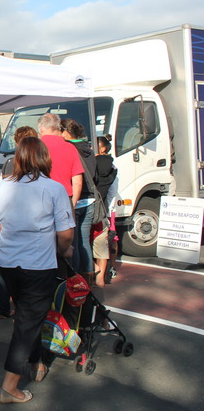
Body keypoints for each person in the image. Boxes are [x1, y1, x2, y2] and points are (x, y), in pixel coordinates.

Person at [0, 137, 75, 404]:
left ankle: (37, 363)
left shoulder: (4, 186)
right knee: (28, 322)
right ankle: (9, 387)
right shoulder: (53, 188)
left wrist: (16, 235)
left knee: (28, 316)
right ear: (44, 158)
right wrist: (62, 250)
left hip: (9, 261)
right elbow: (66, 234)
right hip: (38, 264)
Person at [0, 125, 37, 321]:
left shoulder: (9, 163)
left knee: (8, 272)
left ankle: (1, 309)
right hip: (29, 233)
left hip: (8, 229)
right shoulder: (37, 165)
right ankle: (23, 311)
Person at [61, 119, 97, 278]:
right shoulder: (88, 149)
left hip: (75, 200)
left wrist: (72, 202)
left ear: (65, 132)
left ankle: (75, 279)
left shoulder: (69, 149)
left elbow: (75, 180)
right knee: (84, 241)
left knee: (73, 243)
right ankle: (88, 277)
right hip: (90, 200)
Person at [37, 113, 83, 208]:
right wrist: (73, 203)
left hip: (40, 199)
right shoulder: (70, 148)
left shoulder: (35, 148)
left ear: (41, 129)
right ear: (58, 127)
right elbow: (77, 182)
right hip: (64, 199)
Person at [92, 135, 119, 287]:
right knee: (108, 241)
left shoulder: (91, 164)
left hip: (94, 208)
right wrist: (109, 211)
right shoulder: (113, 167)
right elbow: (112, 192)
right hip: (106, 210)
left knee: (89, 242)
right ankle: (105, 274)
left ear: (102, 148)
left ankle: (95, 272)